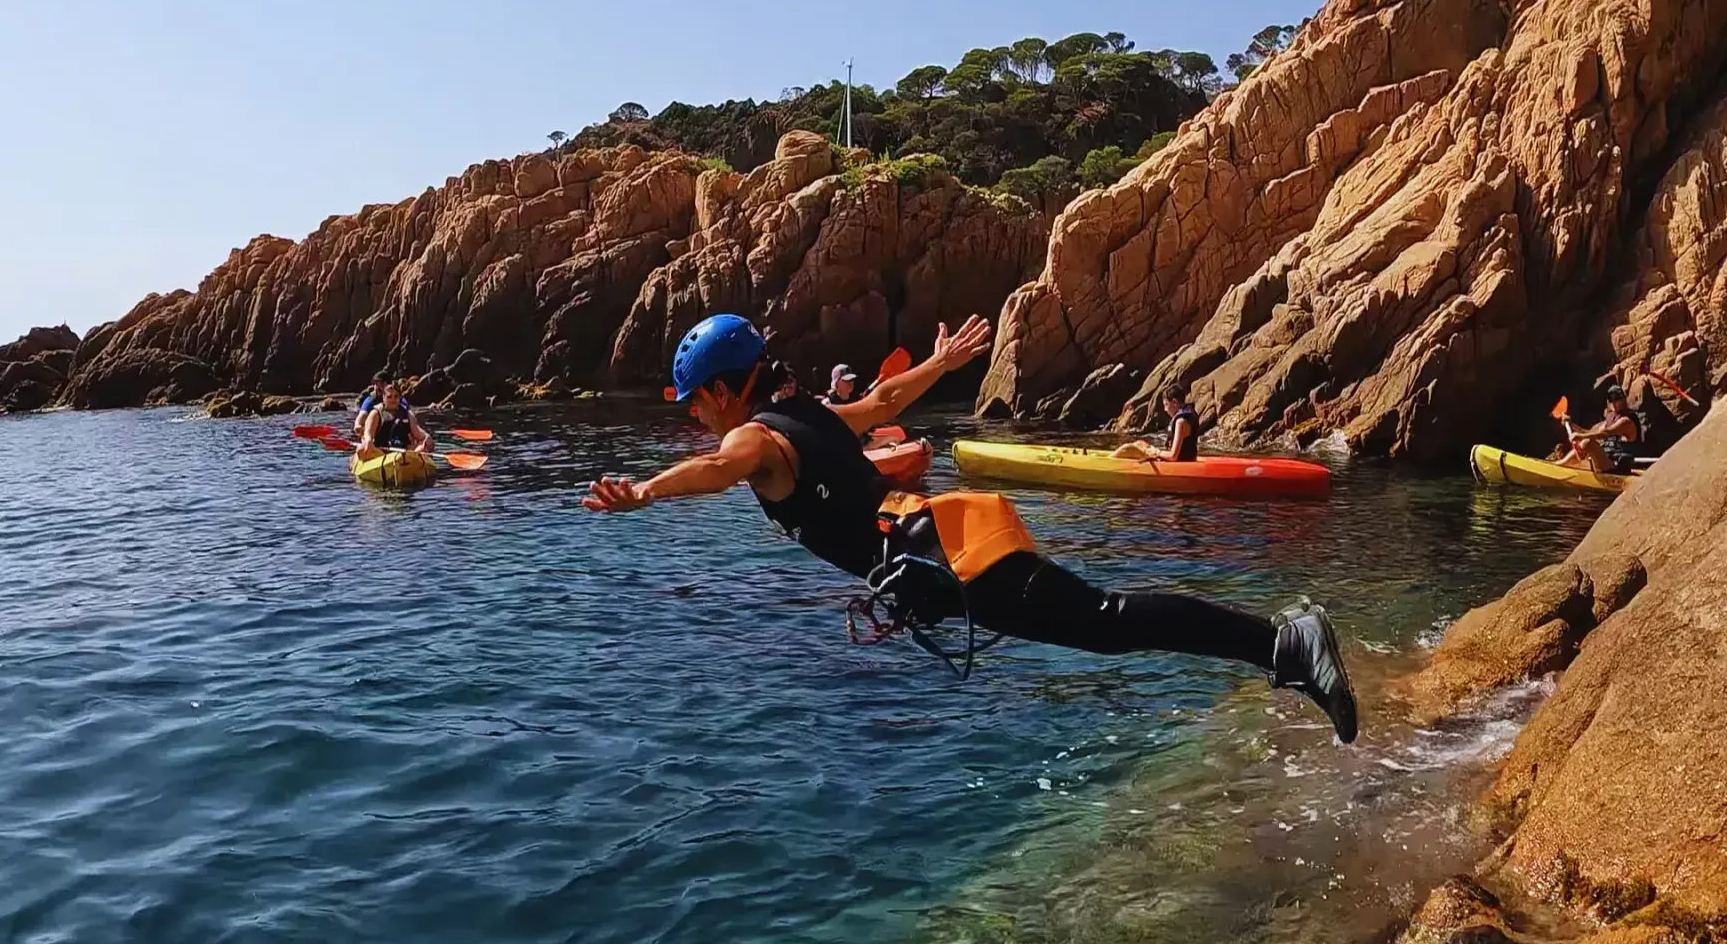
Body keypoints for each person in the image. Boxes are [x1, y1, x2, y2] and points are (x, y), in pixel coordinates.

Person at [581, 312, 1358, 739]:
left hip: (946, 554)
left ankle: (1285, 641)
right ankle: (1281, 644)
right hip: (942, 543)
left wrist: (646, 491)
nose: (694, 414)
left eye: (694, 400)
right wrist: (943, 362)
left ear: (722, 389)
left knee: (1107, 622)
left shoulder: (751, 436)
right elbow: (882, 406)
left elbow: (717, 470)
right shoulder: (804, 412)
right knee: (1102, 623)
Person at [356, 380, 433, 462]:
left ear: (399, 398)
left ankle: (411, 458)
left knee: (428, 443)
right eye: (389, 397)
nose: (393, 400)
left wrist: (426, 437)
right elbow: (368, 433)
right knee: (361, 450)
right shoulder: (376, 413)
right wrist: (368, 441)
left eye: (396, 396)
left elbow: (418, 433)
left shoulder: (407, 414)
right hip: (380, 452)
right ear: (384, 398)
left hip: (404, 451)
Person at [1115, 395, 1200, 465]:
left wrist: (1155, 452)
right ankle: (1108, 459)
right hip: (1184, 459)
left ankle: (1106, 463)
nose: (1165, 409)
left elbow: (1173, 456)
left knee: (1127, 448)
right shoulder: (1184, 418)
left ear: (1174, 402)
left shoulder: (1181, 422)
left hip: (1180, 463)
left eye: (1166, 404)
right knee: (1139, 443)